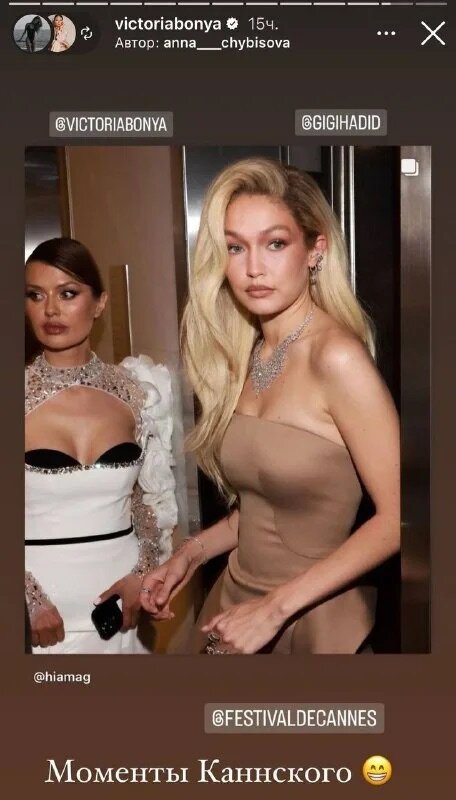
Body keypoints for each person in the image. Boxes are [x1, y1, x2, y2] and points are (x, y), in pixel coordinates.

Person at [140, 157, 400, 655]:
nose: (253, 268)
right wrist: (190, 555)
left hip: (310, 617)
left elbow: (398, 519)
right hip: (236, 602)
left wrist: (275, 609)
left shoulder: (336, 358)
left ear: (315, 250)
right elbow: (266, 510)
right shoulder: (247, 354)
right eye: (236, 247)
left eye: (275, 243)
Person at [25, 237, 177, 654]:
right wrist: (27, 599)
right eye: (35, 295)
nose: (50, 310)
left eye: (67, 294)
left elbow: (143, 503)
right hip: (40, 617)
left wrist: (142, 573)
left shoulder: (136, 392)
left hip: (121, 607)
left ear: (99, 303)